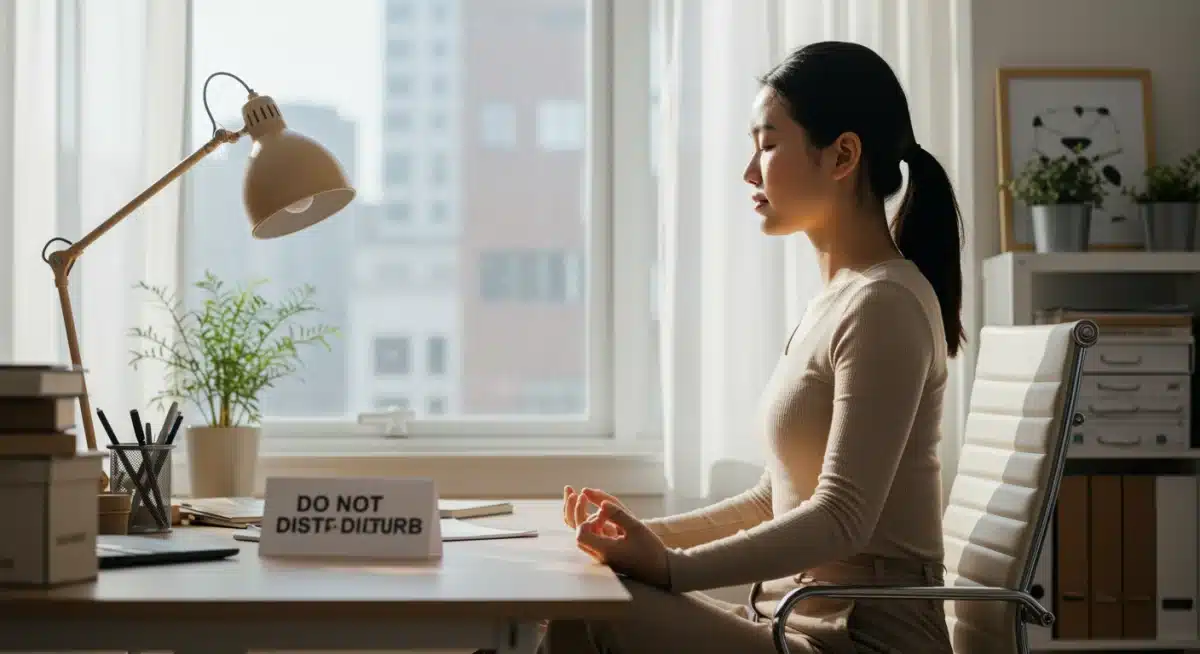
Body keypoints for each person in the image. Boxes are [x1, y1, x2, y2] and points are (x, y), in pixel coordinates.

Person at [544, 40, 966, 654]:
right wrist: (633, 538)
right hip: (794, 620)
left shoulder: (885, 305)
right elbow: (775, 496)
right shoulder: (839, 301)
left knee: (594, 611)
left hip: (863, 639)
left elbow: (842, 519)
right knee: (584, 590)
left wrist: (668, 568)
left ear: (843, 154)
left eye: (768, 144)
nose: (750, 171)